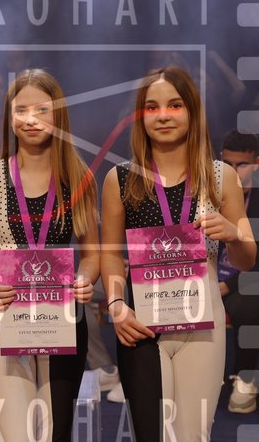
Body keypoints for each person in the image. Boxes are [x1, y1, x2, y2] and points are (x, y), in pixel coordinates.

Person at [100, 66, 257, 440]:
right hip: (142, 326)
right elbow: (109, 254)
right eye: (152, 107)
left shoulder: (221, 176)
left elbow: (247, 259)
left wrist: (234, 235)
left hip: (203, 327)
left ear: (192, 111)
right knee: (150, 435)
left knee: (192, 436)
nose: (163, 115)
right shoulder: (120, 179)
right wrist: (116, 305)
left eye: (174, 105)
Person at [0, 69, 99, 441]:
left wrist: (85, 278)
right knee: (16, 433)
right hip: (7, 316)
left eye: (42, 110)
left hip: (62, 317)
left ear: (59, 116)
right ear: (9, 118)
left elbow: (92, 255)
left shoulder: (79, 178)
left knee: (55, 433)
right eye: (21, 110)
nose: (31, 119)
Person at [218, 129, 259, 413]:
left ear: (256, 164)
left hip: (244, 281)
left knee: (249, 303)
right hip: (204, 276)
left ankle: (244, 378)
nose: (233, 171)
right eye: (227, 163)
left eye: (241, 164)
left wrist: (227, 285)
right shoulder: (204, 193)